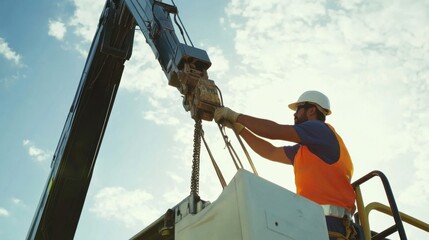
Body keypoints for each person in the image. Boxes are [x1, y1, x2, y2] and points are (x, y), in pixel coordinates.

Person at [214, 90, 357, 240]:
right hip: (316, 224)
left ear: (312, 110)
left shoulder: (320, 130)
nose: (294, 115)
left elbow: (276, 131)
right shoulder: (307, 150)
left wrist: (236, 117)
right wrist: (239, 129)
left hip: (331, 224)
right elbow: (270, 151)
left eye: (298, 109)